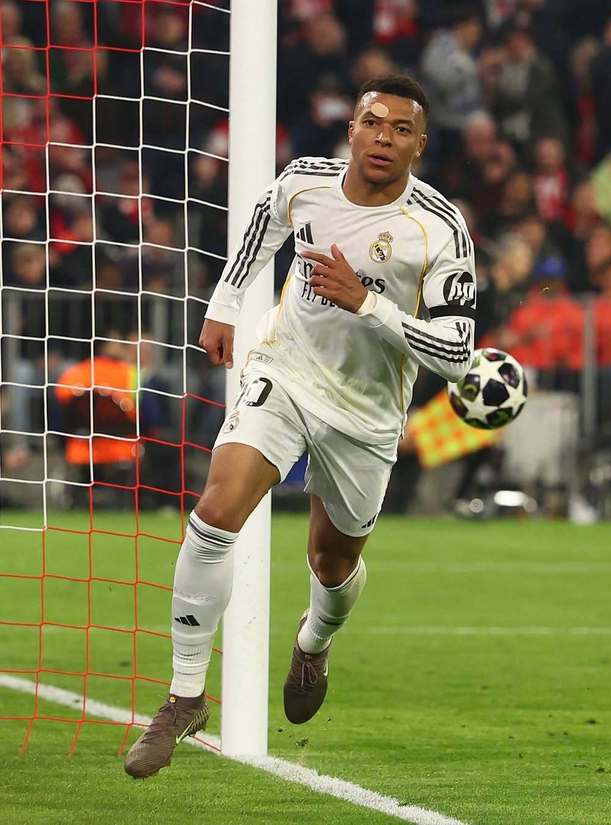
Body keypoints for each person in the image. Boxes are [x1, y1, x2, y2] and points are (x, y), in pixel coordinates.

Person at [124, 75, 476, 778]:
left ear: (420, 145)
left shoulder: (439, 227)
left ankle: (314, 641)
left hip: (368, 411)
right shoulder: (305, 181)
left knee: (332, 563)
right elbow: (263, 225)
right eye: (373, 122)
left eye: (401, 129)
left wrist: (366, 302)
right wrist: (225, 305)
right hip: (284, 370)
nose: (384, 137)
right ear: (352, 128)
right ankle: (184, 696)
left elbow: (458, 351)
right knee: (216, 513)